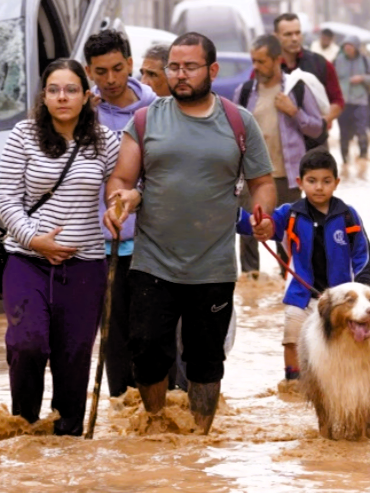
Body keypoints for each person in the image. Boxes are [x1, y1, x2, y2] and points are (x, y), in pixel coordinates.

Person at [104, 33, 276, 434]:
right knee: (146, 352)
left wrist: (261, 214)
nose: (180, 76)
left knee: (205, 360)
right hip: (153, 261)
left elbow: (262, 181)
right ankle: (156, 425)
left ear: (212, 70)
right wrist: (121, 200)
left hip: (213, 265)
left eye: (190, 67)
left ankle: (200, 439)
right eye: (174, 68)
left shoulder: (238, 122)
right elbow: (122, 179)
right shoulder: (146, 120)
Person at [0, 59, 120, 436]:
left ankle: (67, 439)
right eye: (53, 89)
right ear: (44, 95)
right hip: (26, 259)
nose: (62, 97)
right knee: (27, 343)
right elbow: (6, 199)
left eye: (70, 90)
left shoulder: (106, 141)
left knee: (75, 355)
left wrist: (118, 206)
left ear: (86, 96)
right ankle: (25, 429)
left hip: (85, 266)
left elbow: (124, 186)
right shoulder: (23, 135)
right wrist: (35, 240)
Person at [236, 147, 370, 392]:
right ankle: (294, 385)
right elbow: (263, 227)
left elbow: (362, 253)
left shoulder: (348, 216)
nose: (319, 187)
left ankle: (338, 386)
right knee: (292, 339)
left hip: (339, 301)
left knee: (342, 342)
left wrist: (363, 285)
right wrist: (248, 221)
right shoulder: (289, 214)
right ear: (300, 182)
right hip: (301, 294)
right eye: (312, 181)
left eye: (326, 181)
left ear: (336, 183)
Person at [83, 29, 155, 398]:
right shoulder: (82, 114)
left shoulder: (155, 110)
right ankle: (121, 412)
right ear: (88, 71)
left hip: (150, 245)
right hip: (100, 247)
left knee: (152, 335)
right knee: (113, 337)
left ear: (130, 64)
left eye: (116, 68)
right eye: (100, 72)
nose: (110, 80)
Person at [236, 34, 324, 278]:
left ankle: (286, 283)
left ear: (277, 60)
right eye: (253, 60)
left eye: (261, 61)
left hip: (287, 176)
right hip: (251, 176)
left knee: (286, 234)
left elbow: (317, 128)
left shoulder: (296, 89)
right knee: (248, 234)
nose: (255, 66)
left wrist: (293, 111)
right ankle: (251, 284)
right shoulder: (243, 92)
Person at [274, 13, 343, 141]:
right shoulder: (270, 67)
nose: (294, 38)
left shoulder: (320, 63)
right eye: (288, 34)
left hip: (314, 143)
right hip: (280, 143)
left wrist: (321, 122)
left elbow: (337, 101)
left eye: (297, 33)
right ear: (276, 36)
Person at [333, 36, 370, 165]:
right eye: (346, 45)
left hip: (360, 102)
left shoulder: (364, 60)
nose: (348, 48)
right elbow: (330, 79)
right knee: (344, 133)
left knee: (362, 131)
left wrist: (362, 78)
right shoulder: (338, 60)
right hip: (343, 102)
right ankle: (344, 161)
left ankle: (363, 159)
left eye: (350, 45)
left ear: (356, 47)